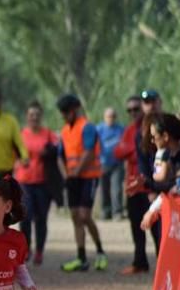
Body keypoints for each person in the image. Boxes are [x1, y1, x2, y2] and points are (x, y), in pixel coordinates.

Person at [56, 94, 107, 272]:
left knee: (85, 216)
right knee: (76, 216)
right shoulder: (64, 131)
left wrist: (76, 173)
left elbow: (89, 153)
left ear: (74, 110)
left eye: (66, 111)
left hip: (88, 177)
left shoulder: (87, 127)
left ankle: (100, 251)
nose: (63, 115)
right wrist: (66, 175)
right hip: (72, 179)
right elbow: (60, 157)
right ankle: (81, 257)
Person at [115, 95, 157, 274]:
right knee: (136, 226)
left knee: (156, 226)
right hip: (133, 186)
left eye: (136, 109)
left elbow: (150, 151)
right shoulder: (129, 130)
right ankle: (140, 262)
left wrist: (131, 150)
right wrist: (135, 149)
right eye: (129, 110)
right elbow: (118, 152)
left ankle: (163, 262)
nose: (133, 113)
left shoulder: (151, 126)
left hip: (150, 186)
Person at [14, 101, 59, 265]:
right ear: (27, 116)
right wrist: (18, 162)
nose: (34, 117)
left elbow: (58, 146)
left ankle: (39, 250)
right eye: (31, 114)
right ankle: (26, 249)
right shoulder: (20, 134)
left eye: (37, 115)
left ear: (41, 116)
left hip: (43, 182)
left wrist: (51, 150)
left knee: (41, 218)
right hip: (24, 181)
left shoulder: (47, 134)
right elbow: (12, 152)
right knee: (25, 217)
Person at [140, 114, 180, 231]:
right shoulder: (168, 155)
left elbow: (178, 188)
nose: (152, 141)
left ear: (165, 136)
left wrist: (152, 209)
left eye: (154, 136)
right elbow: (166, 186)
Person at [96, 107, 125, 220]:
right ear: (104, 117)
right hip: (103, 163)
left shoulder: (120, 129)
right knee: (104, 189)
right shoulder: (99, 129)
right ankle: (105, 211)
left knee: (116, 189)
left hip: (117, 164)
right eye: (109, 116)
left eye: (113, 116)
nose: (111, 118)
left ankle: (117, 212)